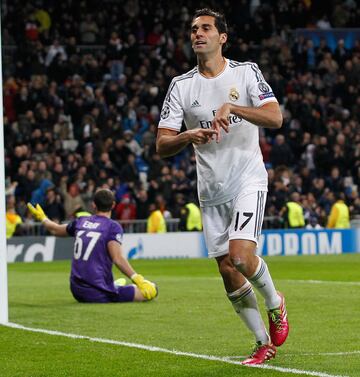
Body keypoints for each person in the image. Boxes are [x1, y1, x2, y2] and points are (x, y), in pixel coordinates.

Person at [156, 8, 288, 365]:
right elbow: (161, 144)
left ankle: (276, 304)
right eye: (193, 29)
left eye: (206, 28)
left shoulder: (245, 73)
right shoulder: (181, 86)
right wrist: (188, 134)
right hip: (210, 188)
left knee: (241, 256)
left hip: (247, 176)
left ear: (222, 37)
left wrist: (235, 107)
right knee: (227, 271)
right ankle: (263, 343)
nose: (197, 34)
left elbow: (275, 117)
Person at [27, 189, 157, 303]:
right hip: (97, 292)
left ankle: (112, 284)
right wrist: (138, 279)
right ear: (113, 205)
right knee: (152, 289)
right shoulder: (112, 227)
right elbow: (118, 259)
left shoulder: (81, 221)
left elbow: (55, 229)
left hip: (76, 290)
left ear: (93, 205)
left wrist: (43, 218)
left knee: (116, 282)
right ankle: (112, 287)